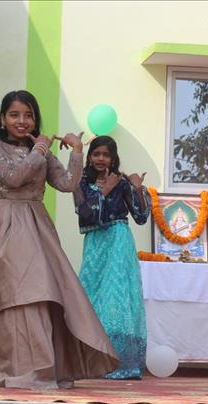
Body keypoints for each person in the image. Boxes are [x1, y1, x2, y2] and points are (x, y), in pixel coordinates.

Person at [0, 90, 119, 389]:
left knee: (43, 291)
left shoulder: (41, 150)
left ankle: (42, 367)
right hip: (6, 225)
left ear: (35, 119)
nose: (22, 121)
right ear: (3, 119)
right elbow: (13, 178)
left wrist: (77, 151)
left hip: (38, 227)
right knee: (15, 295)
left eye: (28, 115)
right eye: (14, 115)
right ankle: (18, 365)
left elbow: (67, 184)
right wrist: (39, 149)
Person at [74, 135, 150, 379]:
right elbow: (84, 213)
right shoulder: (81, 182)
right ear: (89, 157)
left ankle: (120, 363)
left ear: (113, 158)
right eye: (96, 154)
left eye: (106, 155)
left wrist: (137, 188)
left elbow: (141, 217)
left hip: (118, 240)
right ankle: (90, 360)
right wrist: (104, 190)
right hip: (95, 243)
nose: (101, 159)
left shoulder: (122, 182)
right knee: (91, 294)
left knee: (116, 297)